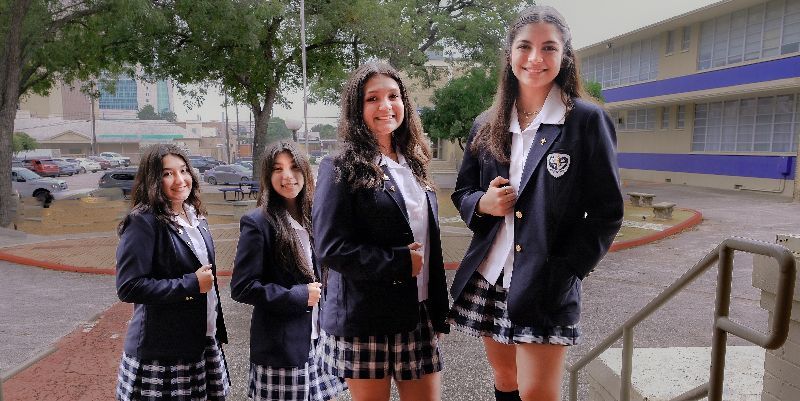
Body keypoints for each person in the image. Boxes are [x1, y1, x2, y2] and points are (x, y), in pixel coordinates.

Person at [448, 5, 624, 401]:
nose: (535, 58)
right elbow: (462, 193)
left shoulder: (586, 121)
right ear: (510, 54)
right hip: (491, 275)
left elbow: (606, 213)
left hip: (545, 281)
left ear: (565, 57)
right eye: (525, 46)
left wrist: (568, 271)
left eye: (549, 48)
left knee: (537, 392)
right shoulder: (486, 122)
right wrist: (483, 204)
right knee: (505, 379)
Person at [312, 61, 449, 401]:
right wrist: (398, 263)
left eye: (393, 96)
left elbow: (430, 244)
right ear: (357, 108)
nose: (385, 106)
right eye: (372, 98)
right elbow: (330, 247)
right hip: (366, 317)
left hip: (417, 311)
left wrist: (437, 309)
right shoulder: (339, 166)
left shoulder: (414, 163)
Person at [231, 141, 346, 401]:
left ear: (305, 171)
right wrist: (297, 295)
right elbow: (242, 287)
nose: (287, 176)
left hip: (320, 339)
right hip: (282, 347)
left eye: (294, 167)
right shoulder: (258, 223)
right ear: (267, 176)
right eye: (277, 169)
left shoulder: (315, 217)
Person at [115, 144, 229, 401]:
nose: (179, 180)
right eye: (167, 174)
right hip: (163, 349)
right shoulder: (143, 221)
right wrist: (190, 284)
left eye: (183, 170)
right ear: (153, 180)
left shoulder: (195, 217)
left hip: (203, 339)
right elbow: (129, 286)